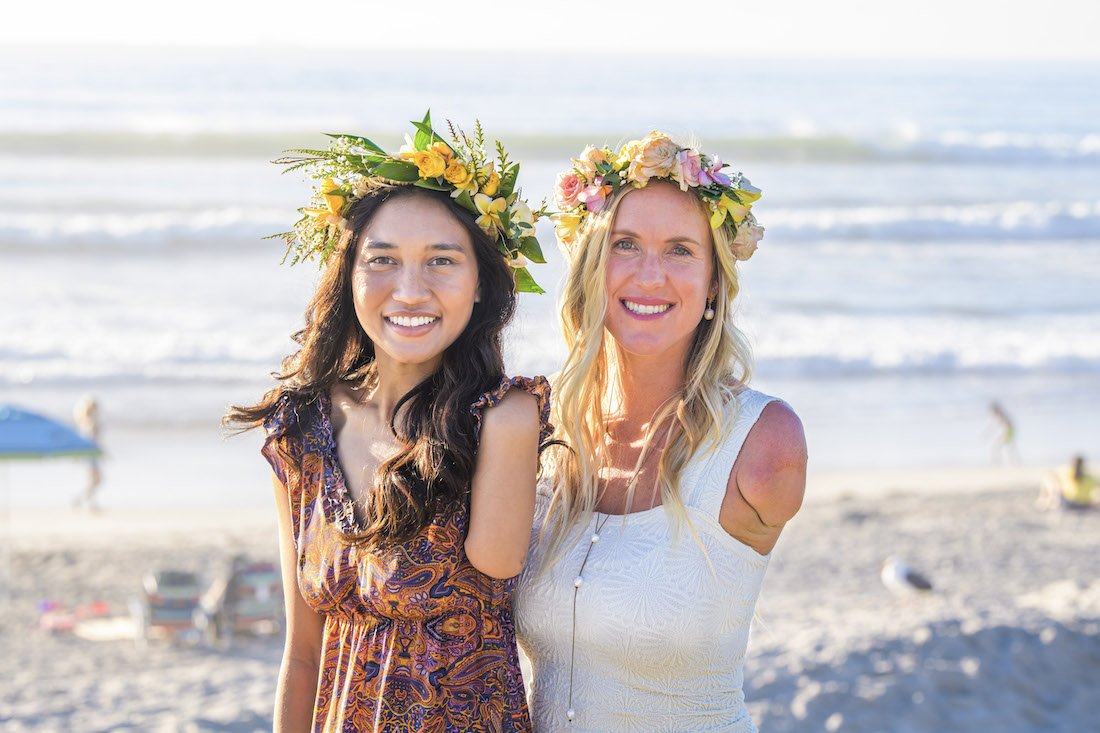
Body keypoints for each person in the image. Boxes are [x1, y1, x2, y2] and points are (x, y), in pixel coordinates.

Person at [226, 113, 552, 733]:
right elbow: (301, 655)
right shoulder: (299, 433)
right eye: (382, 261)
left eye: (441, 261)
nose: (409, 290)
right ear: (348, 278)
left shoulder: (503, 419)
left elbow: (499, 563)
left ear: (483, 284)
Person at [515, 133, 808, 733]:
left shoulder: (762, 444)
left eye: (679, 251)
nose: (651, 275)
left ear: (712, 284)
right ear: (591, 269)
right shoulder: (541, 430)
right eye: (625, 245)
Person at [72, 394, 102, 511]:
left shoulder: (85, 422)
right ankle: (83, 500)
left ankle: (88, 502)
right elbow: (91, 440)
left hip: (91, 455)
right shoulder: (90, 423)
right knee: (96, 480)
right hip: (91, 456)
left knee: (94, 481)